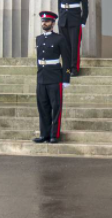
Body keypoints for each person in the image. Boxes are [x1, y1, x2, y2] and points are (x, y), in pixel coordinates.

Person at [33, 11, 71, 144]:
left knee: (56, 107)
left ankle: (54, 134)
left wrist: (66, 78)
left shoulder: (59, 39)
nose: (44, 23)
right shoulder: (39, 39)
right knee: (43, 107)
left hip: (55, 77)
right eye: (43, 21)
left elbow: (66, 59)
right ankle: (44, 134)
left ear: (53, 23)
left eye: (47, 21)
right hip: (42, 76)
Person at [58, 0, 89, 76]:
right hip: (63, 21)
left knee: (74, 45)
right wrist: (60, 19)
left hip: (74, 20)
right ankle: (66, 69)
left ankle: (74, 69)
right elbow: (59, 6)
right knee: (64, 47)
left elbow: (85, 5)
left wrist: (83, 20)